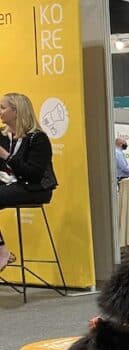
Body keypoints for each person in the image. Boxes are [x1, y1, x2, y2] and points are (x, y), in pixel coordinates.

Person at [0, 93, 58, 271]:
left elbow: (33, 174)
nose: (0, 112)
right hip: (10, 184)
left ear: (16, 111)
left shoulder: (37, 139)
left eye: (3, 107)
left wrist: (6, 156)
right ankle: (2, 249)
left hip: (34, 187)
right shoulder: (4, 137)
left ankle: (2, 252)